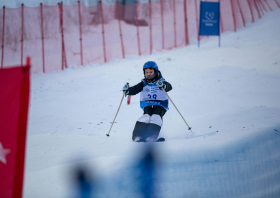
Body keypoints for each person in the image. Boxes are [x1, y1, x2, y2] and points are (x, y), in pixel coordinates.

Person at [122, 61, 172, 142]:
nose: (148, 74)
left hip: (160, 104)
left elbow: (169, 87)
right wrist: (127, 90)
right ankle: (138, 135)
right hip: (147, 103)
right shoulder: (144, 83)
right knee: (146, 117)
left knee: (156, 116)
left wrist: (164, 86)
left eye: (151, 72)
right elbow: (135, 89)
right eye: (146, 72)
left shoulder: (161, 81)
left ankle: (150, 136)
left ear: (155, 71)